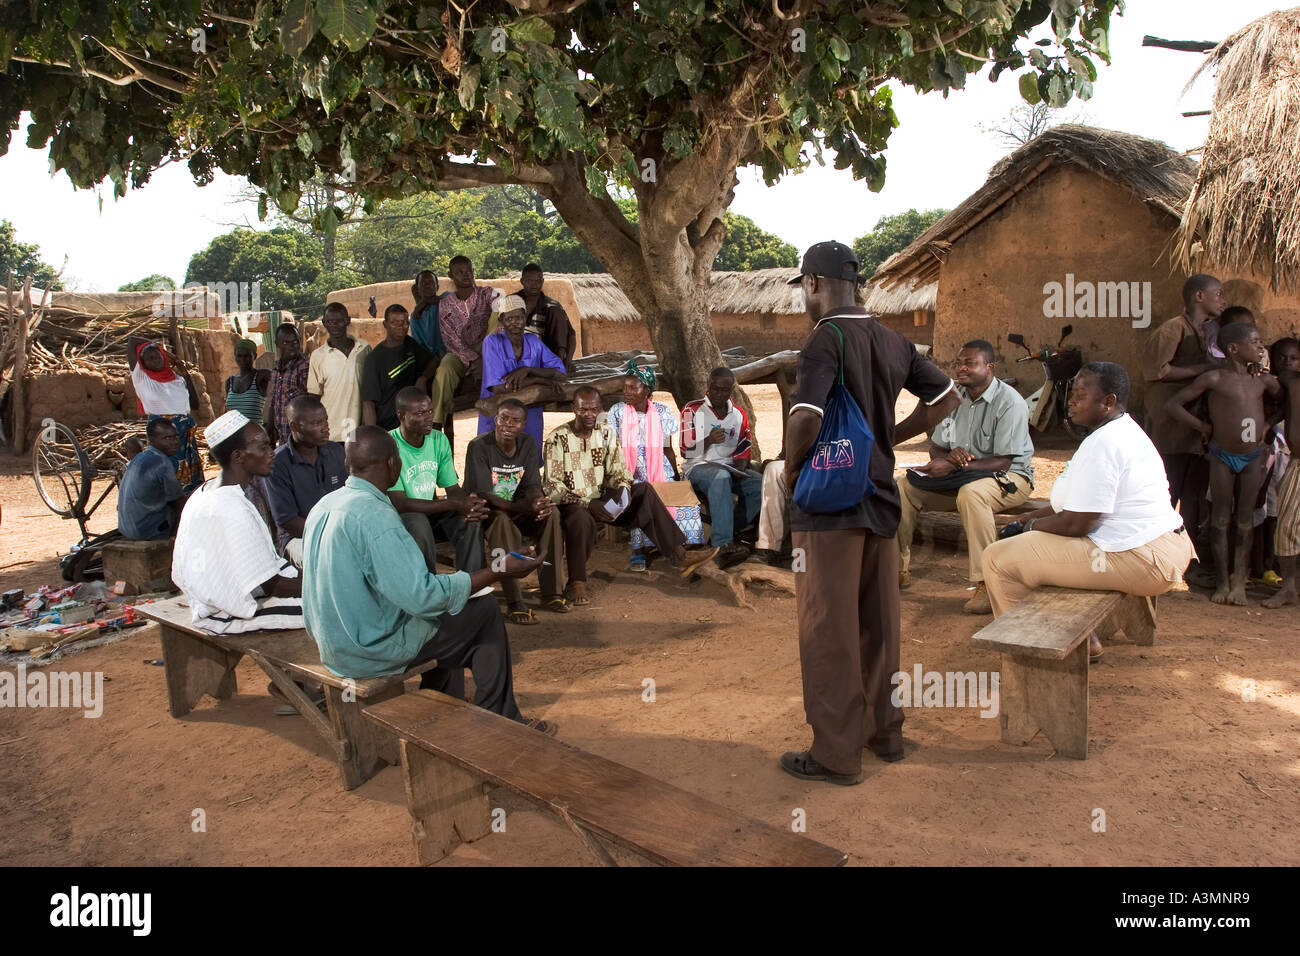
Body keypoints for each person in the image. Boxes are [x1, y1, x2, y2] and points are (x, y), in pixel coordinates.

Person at [779, 241, 957, 786]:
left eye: (804, 289)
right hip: (881, 497)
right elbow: (947, 397)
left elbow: (806, 417)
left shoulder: (823, 338)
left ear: (812, 283)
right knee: (880, 625)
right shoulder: (893, 339)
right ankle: (887, 732)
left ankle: (835, 755)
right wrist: (890, 437)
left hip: (831, 502)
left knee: (827, 629)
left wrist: (791, 473)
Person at [302, 426, 555, 734]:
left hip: (332, 643)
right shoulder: (375, 517)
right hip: (367, 651)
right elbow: (422, 597)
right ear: (393, 465)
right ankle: (501, 723)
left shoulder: (324, 506)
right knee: (484, 612)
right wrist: (497, 572)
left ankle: (443, 712)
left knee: (451, 619)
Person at [985, 363, 1193, 659]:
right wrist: (1030, 518)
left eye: (1080, 395)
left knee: (997, 559)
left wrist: (1027, 529)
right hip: (1154, 545)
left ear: (1108, 401)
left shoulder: (1106, 443)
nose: (1070, 401)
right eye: (1072, 393)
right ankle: (1083, 640)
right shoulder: (1120, 429)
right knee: (1027, 549)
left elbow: (1077, 524)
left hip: (1143, 557)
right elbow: (1076, 506)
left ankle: (1033, 659)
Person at [543, 386, 719, 606]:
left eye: (594, 409)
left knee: (644, 490)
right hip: (574, 504)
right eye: (583, 410)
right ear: (573, 409)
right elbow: (552, 486)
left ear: (600, 409)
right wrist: (588, 504)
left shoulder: (605, 432)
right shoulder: (558, 438)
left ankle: (680, 554)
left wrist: (624, 488)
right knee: (580, 519)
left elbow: (619, 471)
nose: (589, 415)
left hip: (602, 497)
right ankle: (576, 582)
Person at [896, 339, 1035, 613]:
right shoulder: (954, 397)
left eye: (969, 363)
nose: (961, 368)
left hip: (1010, 479)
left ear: (989, 367)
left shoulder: (1009, 402)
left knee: (973, 495)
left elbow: (1005, 462)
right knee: (902, 488)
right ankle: (896, 568)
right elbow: (937, 445)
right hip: (960, 477)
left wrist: (954, 464)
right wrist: (946, 458)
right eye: (958, 363)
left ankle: (987, 583)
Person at [1165, 323, 1281, 605]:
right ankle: (1222, 581)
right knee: (1219, 519)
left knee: (1244, 521)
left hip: (1253, 456)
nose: (1260, 346)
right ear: (1233, 349)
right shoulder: (1214, 379)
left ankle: (1239, 582)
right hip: (1221, 455)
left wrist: (1266, 424)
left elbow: (1287, 400)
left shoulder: (1262, 381)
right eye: (1254, 342)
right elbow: (1174, 405)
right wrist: (1203, 427)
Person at [171, 411, 303, 633]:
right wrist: (324, 585)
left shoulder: (206, 492)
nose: (271, 453)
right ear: (238, 456)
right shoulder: (232, 507)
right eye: (262, 447)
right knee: (332, 608)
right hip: (224, 612)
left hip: (209, 598)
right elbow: (271, 585)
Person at [1142, 274, 1224, 584]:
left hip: (1196, 429)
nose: (1222, 299)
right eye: (1218, 293)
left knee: (1192, 498)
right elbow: (1157, 370)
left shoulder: (1208, 333)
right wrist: (1204, 370)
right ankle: (1157, 558)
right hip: (1171, 428)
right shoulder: (1173, 329)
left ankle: (1185, 559)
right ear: (1199, 296)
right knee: (1167, 493)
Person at [464, 399, 566, 621]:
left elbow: (531, 485)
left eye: (516, 421)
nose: (509, 425)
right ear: (495, 420)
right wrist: (523, 508)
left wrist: (538, 503)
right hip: (487, 512)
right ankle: (514, 601)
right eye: (504, 419)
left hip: (517, 508)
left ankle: (552, 592)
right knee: (501, 520)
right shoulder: (479, 446)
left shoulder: (527, 444)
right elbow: (485, 495)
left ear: (524, 424)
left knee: (552, 514)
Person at [607, 360, 705, 571]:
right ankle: (639, 551)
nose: (627, 391)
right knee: (640, 492)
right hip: (628, 469)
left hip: (660, 468)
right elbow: (611, 450)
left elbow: (667, 448)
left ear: (647, 391)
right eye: (625, 386)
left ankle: (678, 548)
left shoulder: (662, 412)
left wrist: (676, 476)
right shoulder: (616, 412)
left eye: (633, 387)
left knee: (680, 499)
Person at [388, 386, 487, 573]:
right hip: (399, 517)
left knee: (470, 520)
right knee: (418, 521)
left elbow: (452, 488)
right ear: (401, 416)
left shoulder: (438, 440)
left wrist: (466, 504)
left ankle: (471, 584)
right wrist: (452, 504)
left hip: (429, 510)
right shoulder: (389, 445)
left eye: (430, 411)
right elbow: (400, 503)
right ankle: (428, 587)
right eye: (419, 413)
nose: (428, 417)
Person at [681, 367, 763, 568]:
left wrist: (740, 467)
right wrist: (708, 440)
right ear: (708, 386)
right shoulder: (692, 410)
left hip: (728, 468)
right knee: (720, 477)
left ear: (730, 390)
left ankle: (728, 529)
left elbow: (744, 450)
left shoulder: (739, 415)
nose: (718, 394)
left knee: (761, 485)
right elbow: (685, 451)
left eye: (723, 390)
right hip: (697, 468)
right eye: (714, 389)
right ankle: (723, 544)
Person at [268, 394, 348, 567]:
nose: (326, 428)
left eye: (325, 421)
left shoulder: (336, 452)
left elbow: (350, 498)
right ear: (295, 426)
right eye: (317, 423)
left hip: (340, 532)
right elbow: (288, 522)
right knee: (333, 558)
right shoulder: (278, 463)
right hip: (299, 538)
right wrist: (332, 533)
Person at [477, 294, 566, 448]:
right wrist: (540, 380)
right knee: (496, 464)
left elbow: (560, 374)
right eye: (509, 319)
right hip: (499, 416)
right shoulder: (492, 342)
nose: (515, 323)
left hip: (529, 414)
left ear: (525, 318)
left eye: (518, 317)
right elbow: (500, 388)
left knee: (529, 461)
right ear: (501, 321)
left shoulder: (533, 342)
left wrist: (528, 369)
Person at [126, 336, 203, 493]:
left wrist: (186, 375)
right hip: (163, 438)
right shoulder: (142, 378)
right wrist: (169, 352)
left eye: (158, 355)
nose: (155, 360)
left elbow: (195, 405)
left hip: (185, 439)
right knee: (167, 478)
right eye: (149, 358)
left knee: (192, 485)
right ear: (143, 363)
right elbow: (132, 340)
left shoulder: (178, 379)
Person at [432, 255, 500, 431]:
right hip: (460, 353)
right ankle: (436, 421)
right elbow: (450, 339)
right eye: (460, 272)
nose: (466, 275)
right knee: (445, 367)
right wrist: (474, 360)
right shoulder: (445, 304)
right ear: (451, 275)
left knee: (499, 312)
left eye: (469, 270)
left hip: (487, 348)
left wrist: (485, 356)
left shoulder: (486, 293)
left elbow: (502, 300)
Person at [1263, 342, 1300, 609]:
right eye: (1283, 359)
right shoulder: (1291, 383)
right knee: (1286, 526)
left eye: (1294, 358)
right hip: (1297, 464)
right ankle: (1288, 588)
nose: (1288, 363)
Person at [361, 304, 438, 431]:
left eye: (404, 323)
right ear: (385, 325)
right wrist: (374, 435)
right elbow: (368, 403)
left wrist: (422, 379)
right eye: (394, 322)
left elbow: (433, 361)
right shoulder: (375, 359)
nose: (400, 327)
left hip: (411, 422)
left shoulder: (410, 344)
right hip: (388, 425)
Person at [307, 302, 371, 442]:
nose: (335, 325)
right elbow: (314, 397)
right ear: (324, 323)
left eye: (339, 321)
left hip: (358, 431)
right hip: (331, 433)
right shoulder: (318, 356)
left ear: (347, 321)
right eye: (330, 321)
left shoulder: (363, 349)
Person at [116, 418, 185, 540]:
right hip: (146, 531)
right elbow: (178, 501)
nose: (174, 442)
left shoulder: (139, 458)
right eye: (166, 438)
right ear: (152, 441)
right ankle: (175, 543)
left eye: (175, 437)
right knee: (186, 509)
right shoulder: (161, 462)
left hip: (126, 528)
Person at [513, 263, 576, 369]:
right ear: (522, 281)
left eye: (537, 281)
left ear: (542, 281)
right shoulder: (511, 301)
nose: (534, 285)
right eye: (529, 281)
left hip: (544, 356)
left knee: (556, 312)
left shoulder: (552, 305)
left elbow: (571, 336)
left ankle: (558, 363)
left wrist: (568, 361)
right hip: (515, 354)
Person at [265, 323, 309, 447]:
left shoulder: (304, 367)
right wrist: (269, 429)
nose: (291, 346)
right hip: (282, 436)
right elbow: (273, 402)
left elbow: (309, 403)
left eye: (295, 342)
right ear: (277, 344)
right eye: (285, 343)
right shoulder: (276, 368)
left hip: (299, 437)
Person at [224, 339, 270, 423]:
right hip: (234, 435)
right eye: (239, 356)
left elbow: (280, 379)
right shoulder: (229, 382)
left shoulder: (261, 376)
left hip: (255, 434)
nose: (243, 359)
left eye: (247, 355)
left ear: (255, 356)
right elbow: (227, 413)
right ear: (235, 357)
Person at [409, 270, 447, 357]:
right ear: (417, 289)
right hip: (431, 358)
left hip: (451, 353)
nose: (427, 285)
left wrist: (423, 301)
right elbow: (420, 346)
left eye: (431, 282)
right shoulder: (415, 317)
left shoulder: (446, 297)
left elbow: (448, 302)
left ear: (437, 287)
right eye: (423, 283)